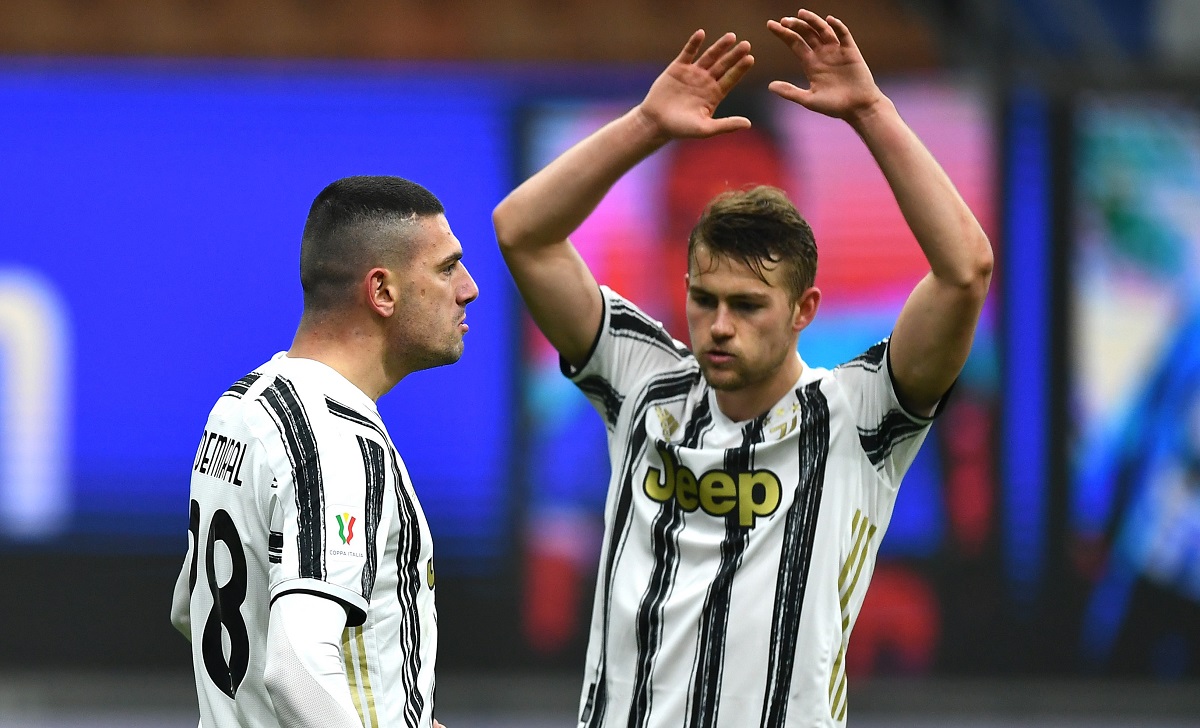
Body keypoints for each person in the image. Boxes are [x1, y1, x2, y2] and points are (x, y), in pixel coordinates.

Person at [492, 10, 992, 728]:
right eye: (705, 300)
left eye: (748, 305)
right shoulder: (643, 380)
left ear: (804, 309)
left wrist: (871, 112)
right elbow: (522, 232)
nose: (720, 325)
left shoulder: (858, 414)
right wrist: (647, 124)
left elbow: (965, 272)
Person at [170, 175, 476, 728]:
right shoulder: (337, 441)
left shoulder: (240, 406)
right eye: (447, 267)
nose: (468, 288)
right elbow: (296, 671)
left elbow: (189, 609)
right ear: (382, 292)